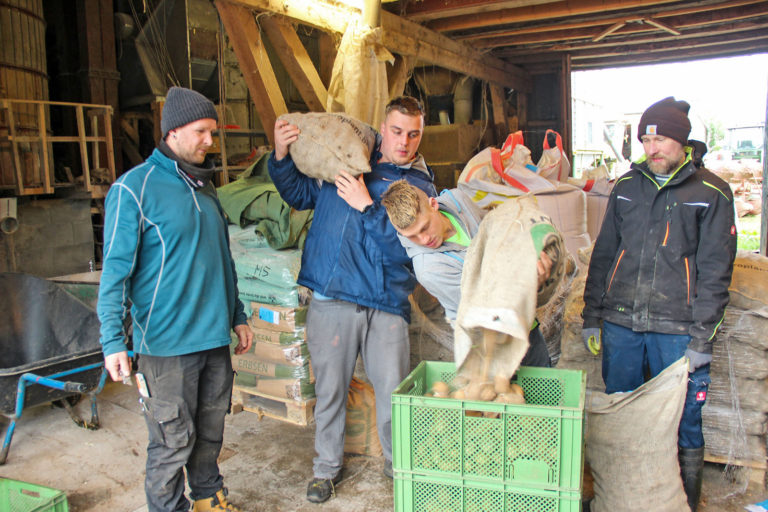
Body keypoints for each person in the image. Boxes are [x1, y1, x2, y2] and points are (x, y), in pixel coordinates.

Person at [268, 96, 436, 503]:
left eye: (414, 134)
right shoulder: (344, 155)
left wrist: (366, 206)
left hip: (385, 301)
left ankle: (399, 470)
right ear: (383, 126)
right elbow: (299, 194)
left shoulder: (419, 186)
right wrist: (280, 155)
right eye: (397, 131)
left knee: (394, 394)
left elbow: (405, 249)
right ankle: (325, 469)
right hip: (333, 293)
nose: (404, 142)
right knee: (330, 391)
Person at [97, 86, 253, 512]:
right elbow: (114, 274)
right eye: (202, 132)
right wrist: (113, 341)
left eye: (211, 132)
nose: (210, 141)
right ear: (173, 132)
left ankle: (209, 499)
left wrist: (237, 315)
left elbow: (222, 260)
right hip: (166, 346)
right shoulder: (134, 189)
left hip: (213, 339)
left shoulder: (205, 188)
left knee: (210, 433)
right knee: (171, 442)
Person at [581, 97, 737, 511]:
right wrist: (592, 316)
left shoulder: (711, 192)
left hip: (677, 330)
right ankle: (621, 499)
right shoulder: (626, 188)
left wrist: (702, 339)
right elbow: (604, 253)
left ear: (683, 142)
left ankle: (684, 502)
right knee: (622, 413)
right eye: (646, 139)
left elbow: (716, 272)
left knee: (684, 423)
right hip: (621, 324)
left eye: (661, 139)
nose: (652, 149)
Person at [380, 180, 553, 368]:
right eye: (412, 236)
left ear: (434, 205)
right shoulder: (429, 269)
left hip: (525, 325)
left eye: (424, 227)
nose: (423, 239)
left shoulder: (458, 200)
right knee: (506, 395)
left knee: (546, 388)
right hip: (489, 346)